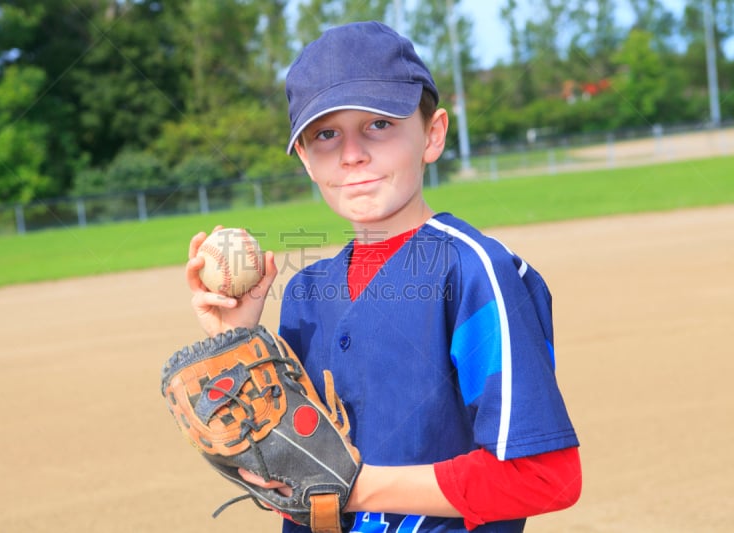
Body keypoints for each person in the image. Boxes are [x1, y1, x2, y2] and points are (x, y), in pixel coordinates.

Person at [185, 21, 581, 533]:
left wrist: (353, 484)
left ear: (432, 134)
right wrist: (235, 339)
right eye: (327, 134)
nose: (353, 153)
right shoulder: (306, 293)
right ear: (305, 158)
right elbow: (294, 487)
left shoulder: (474, 274)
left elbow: (543, 477)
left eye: (379, 124)